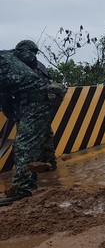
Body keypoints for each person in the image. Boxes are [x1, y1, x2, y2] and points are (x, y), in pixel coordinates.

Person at [0, 47, 56, 206]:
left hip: (34, 102)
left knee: (24, 146)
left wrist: (11, 113)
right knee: (39, 140)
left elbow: (3, 96)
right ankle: (47, 167)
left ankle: (23, 189)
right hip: (38, 99)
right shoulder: (9, 54)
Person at [14, 40, 66, 170]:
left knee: (28, 142)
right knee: (45, 137)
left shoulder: (18, 67)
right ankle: (46, 166)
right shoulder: (35, 66)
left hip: (30, 109)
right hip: (40, 108)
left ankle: (27, 173)